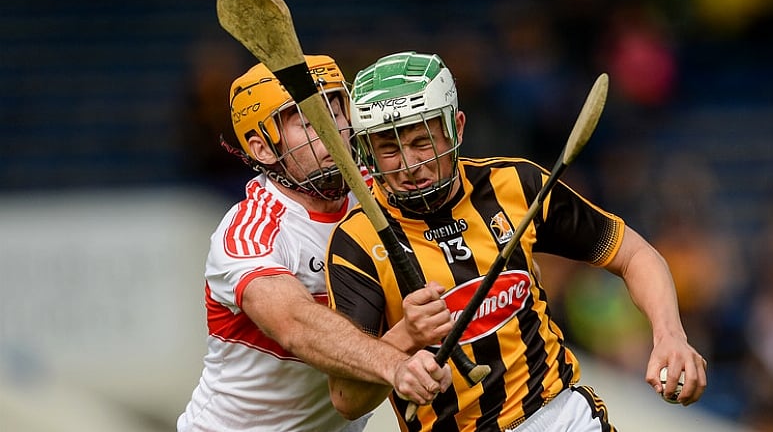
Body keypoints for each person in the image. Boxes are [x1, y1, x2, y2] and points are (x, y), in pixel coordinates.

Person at [324, 51, 708, 431]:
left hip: (558, 416)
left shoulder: (514, 186)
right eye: (388, 149)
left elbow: (634, 255)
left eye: (421, 141)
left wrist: (670, 336)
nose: (409, 164)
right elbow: (347, 400)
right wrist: (405, 337)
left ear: (456, 127)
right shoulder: (355, 242)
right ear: (365, 152)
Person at [177, 55, 452, 432]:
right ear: (263, 149)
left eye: (337, 112)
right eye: (308, 122)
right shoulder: (249, 232)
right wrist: (396, 360)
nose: (332, 130)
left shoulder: (381, 196)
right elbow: (295, 323)